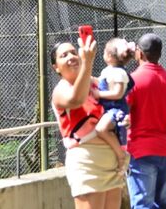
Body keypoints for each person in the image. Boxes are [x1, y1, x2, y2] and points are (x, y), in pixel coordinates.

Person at [51, 40, 126, 209]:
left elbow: (116, 107)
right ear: (56, 67)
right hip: (86, 162)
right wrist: (88, 61)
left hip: (112, 160)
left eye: (73, 52)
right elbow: (76, 100)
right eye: (64, 55)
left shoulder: (98, 83)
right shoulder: (61, 90)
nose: (71, 57)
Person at [127, 33, 166, 209]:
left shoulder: (132, 81)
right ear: (159, 54)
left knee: (143, 204)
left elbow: (122, 115)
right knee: (163, 203)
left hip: (141, 152)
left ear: (139, 53)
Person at [94, 38, 136, 172]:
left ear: (110, 56)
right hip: (107, 108)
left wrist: (98, 94)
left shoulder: (119, 73)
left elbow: (117, 93)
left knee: (101, 129)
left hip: (116, 109)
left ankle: (121, 154)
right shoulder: (108, 71)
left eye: (105, 51)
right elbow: (99, 81)